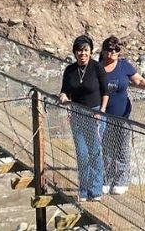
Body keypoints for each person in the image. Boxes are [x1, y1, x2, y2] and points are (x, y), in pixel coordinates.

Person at [98, 35, 145, 195]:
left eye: (116, 50)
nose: (112, 52)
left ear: (119, 52)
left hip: (123, 115)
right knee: (105, 149)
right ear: (104, 51)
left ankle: (121, 181)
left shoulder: (124, 66)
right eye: (109, 49)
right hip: (102, 115)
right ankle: (106, 179)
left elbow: (138, 81)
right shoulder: (97, 67)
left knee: (122, 149)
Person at [58, 35, 108, 201]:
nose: (83, 53)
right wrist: (63, 96)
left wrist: (101, 111)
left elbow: (105, 92)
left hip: (95, 114)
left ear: (91, 51)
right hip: (77, 114)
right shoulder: (70, 70)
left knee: (95, 152)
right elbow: (65, 90)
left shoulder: (97, 68)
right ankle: (84, 190)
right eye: (79, 50)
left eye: (86, 50)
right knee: (82, 153)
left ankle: (96, 190)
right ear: (75, 52)